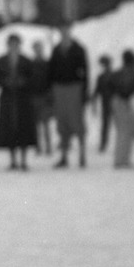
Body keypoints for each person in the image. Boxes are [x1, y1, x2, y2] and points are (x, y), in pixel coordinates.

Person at [0, 32, 40, 170]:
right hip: (8, 97)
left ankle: (23, 160)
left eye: (16, 44)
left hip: (22, 98)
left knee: (23, 127)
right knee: (9, 128)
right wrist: (5, 81)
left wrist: (23, 82)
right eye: (11, 44)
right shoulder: (1, 61)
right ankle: (13, 160)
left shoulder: (27, 61)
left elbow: (33, 79)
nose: (14, 46)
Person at [48, 27, 90, 169]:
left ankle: (82, 155)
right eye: (62, 31)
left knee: (77, 122)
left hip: (74, 88)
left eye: (66, 31)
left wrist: (84, 92)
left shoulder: (78, 49)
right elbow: (51, 72)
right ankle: (64, 156)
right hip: (59, 89)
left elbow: (85, 72)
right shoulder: (56, 50)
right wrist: (51, 91)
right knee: (62, 123)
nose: (64, 33)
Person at [110, 52, 134, 168]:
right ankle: (121, 160)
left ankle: (122, 159)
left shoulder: (120, 72)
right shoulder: (128, 72)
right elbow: (126, 88)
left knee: (124, 130)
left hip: (118, 100)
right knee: (125, 131)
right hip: (122, 100)